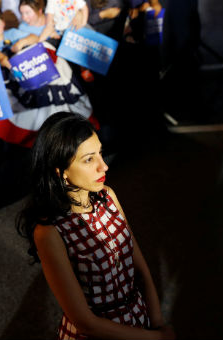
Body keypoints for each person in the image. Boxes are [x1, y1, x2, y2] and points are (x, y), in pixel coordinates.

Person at [16, 112, 175, 339]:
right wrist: (157, 338)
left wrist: (157, 323)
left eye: (100, 153)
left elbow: (140, 268)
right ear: (61, 173)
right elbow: (86, 323)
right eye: (89, 159)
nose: (104, 166)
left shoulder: (108, 196)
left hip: (140, 321)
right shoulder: (50, 232)